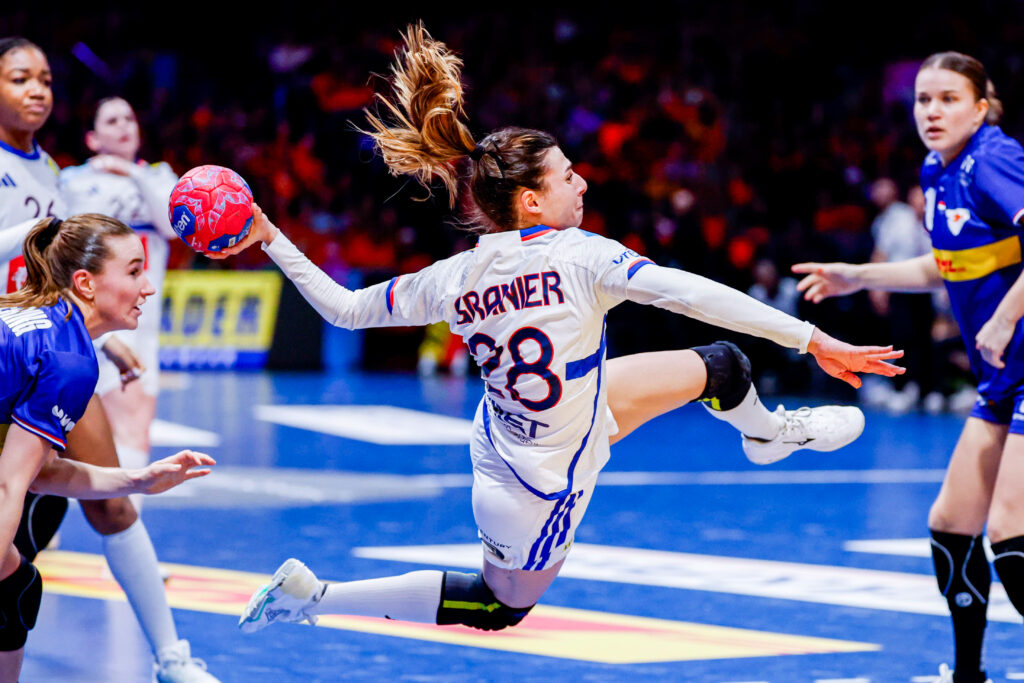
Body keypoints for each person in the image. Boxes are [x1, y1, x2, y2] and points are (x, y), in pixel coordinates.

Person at [229, 23, 904, 637]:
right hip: (540, 482)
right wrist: (810, 337)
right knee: (499, 607)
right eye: (568, 176)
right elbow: (692, 293)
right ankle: (314, 597)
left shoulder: (455, 275)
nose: (582, 185)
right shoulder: (583, 256)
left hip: (547, 421)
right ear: (531, 200)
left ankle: (766, 434)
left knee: (721, 365)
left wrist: (270, 236)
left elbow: (344, 309)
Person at [793, 51, 1024, 683]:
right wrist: (857, 276)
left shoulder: (993, 159)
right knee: (952, 527)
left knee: (1011, 534)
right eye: (923, 99)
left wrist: (1005, 317)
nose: (932, 111)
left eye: (949, 98)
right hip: (1002, 378)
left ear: (981, 107)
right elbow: (945, 266)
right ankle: (970, 674)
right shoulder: (936, 170)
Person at [0, 37, 219, 682]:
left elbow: (58, 277)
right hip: (24, 347)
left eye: (45, 79)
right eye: (19, 78)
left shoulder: (51, 172)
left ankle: (171, 657)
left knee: (104, 502)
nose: (37, 90)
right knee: (13, 561)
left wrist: (99, 336)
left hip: (41, 347)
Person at [61, 96, 179, 508]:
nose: (124, 126)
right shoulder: (71, 182)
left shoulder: (160, 177)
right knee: (66, 431)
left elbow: (174, 226)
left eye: (129, 118)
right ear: (92, 139)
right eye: (112, 121)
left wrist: (132, 172)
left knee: (133, 432)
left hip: (141, 326)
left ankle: (125, 525)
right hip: (86, 322)